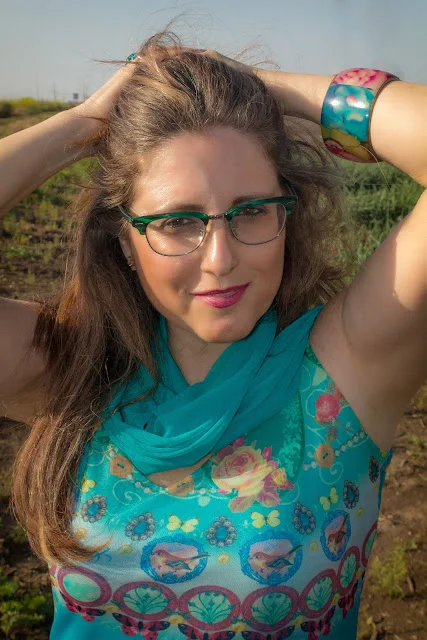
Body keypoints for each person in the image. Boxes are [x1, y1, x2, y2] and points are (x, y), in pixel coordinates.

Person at [0, 32, 426, 640]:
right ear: (125, 240)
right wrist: (82, 124)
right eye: (177, 221)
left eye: (252, 211)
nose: (221, 259)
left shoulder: (345, 373)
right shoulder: (74, 370)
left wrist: (274, 92)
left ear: (287, 214)